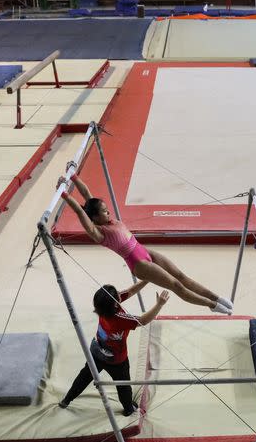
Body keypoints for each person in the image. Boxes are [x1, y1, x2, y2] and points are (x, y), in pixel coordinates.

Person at [58, 174, 233, 315]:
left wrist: (73, 177)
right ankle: (211, 305)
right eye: (104, 211)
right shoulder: (98, 233)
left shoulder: (106, 219)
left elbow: (88, 196)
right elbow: (80, 211)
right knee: (176, 286)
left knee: (181, 276)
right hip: (138, 264)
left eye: (106, 209)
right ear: (95, 218)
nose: (109, 212)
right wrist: (64, 194)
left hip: (144, 251)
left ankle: (215, 297)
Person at [59, 282, 168, 416]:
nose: (119, 295)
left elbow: (131, 290)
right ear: (115, 304)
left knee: (84, 376)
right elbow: (143, 321)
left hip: (96, 351)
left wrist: (146, 279)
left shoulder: (102, 307)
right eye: (117, 296)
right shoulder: (119, 318)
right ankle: (128, 408)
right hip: (116, 360)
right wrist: (159, 304)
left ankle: (66, 400)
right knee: (123, 386)